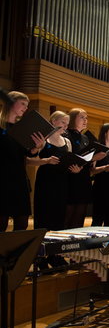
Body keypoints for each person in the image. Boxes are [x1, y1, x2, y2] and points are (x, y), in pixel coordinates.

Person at [0, 91, 46, 231]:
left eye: (27, 105)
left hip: (19, 180)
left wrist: (35, 148)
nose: (26, 108)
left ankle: (16, 254)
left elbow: (27, 153)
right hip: (2, 180)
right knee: (1, 223)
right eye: (23, 104)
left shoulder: (22, 128)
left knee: (22, 223)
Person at [64, 108, 105, 229]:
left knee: (80, 215)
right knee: (68, 215)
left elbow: (86, 158)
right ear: (72, 119)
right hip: (70, 178)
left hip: (83, 178)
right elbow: (69, 157)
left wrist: (94, 159)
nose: (85, 120)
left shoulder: (86, 138)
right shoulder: (66, 135)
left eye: (86, 118)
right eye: (82, 117)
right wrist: (92, 158)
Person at [33, 111, 72, 230]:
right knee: (44, 212)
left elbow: (69, 160)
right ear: (53, 121)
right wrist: (46, 161)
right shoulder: (43, 139)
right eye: (63, 122)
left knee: (59, 213)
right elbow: (29, 160)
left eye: (67, 124)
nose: (65, 126)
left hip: (62, 180)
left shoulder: (67, 142)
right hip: (46, 180)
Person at [91, 123, 109, 226]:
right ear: (105, 133)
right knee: (98, 219)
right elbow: (92, 170)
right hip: (100, 188)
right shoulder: (98, 148)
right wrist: (105, 168)